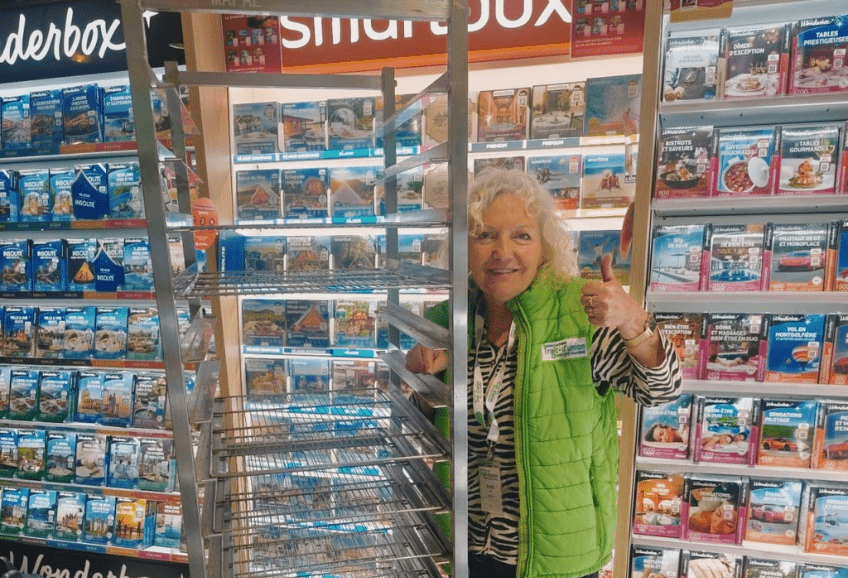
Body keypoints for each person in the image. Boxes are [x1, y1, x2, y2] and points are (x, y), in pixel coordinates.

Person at [405, 168, 682, 578]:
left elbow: (662, 389)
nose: (502, 252)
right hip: (468, 550)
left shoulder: (581, 311)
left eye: (521, 235)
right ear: (465, 246)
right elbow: (427, 428)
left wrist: (633, 322)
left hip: (557, 556)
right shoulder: (451, 317)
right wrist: (421, 378)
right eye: (485, 235)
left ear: (544, 248)